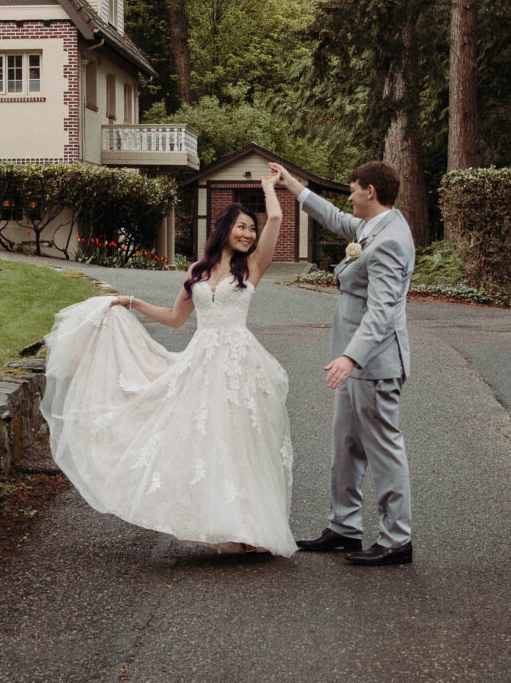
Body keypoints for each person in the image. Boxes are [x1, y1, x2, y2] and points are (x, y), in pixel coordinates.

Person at [38, 194, 297, 556]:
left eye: (252, 229)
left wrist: (271, 187)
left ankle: (251, 527)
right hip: (202, 361)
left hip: (239, 364)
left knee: (242, 442)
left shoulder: (253, 266)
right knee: (206, 441)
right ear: (224, 229)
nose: (249, 234)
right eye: (242, 226)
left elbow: (276, 219)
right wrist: (132, 303)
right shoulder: (197, 271)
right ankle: (222, 521)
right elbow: (176, 319)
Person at [267, 160, 415, 567]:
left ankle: (397, 539)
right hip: (354, 361)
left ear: (370, 191)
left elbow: (383, 310)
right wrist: (291, 184)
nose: (347, 197)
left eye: (352, 190)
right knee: (346, 445)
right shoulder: (371, 227)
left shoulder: (391, 241)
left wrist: (351, 357)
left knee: (384, 449)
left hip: (374, 362)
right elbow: (333, 217)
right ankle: (345, 528)